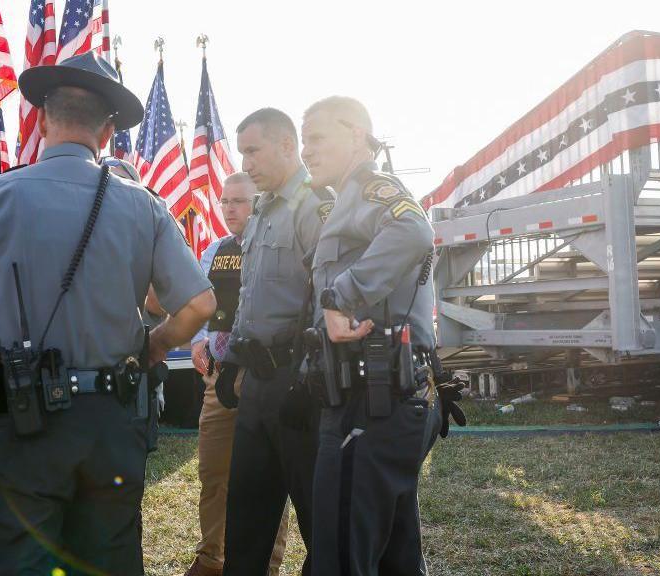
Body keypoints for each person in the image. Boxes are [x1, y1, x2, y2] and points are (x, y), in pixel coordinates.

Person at [0, 52, 216, 576]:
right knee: (109, 560)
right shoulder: (143, 204)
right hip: (112, 419)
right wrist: (155, 345)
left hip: (21, 420)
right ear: (107, 131)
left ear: (40, 119)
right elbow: (199, 305)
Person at [300, 96, 465, 575]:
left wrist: (339, 297)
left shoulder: (372, 188)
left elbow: (414, 231)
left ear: (355, 134)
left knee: (341, 557)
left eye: (316, 137)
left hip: (371, 401)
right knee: (394, 556)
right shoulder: (345, 200)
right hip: (380, 400)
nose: (306, 151)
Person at [220, 108, 333, 576]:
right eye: (241, 151)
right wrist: (233, 362)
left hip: (298, 385)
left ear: (288, 145)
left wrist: (307, 381)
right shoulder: (263, 208)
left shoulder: (315, 205)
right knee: (245, 519)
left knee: (318, 521)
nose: (245, 162)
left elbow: (330, 300)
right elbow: (251, 296)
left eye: (253, 150)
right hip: (257, 383)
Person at [185, 173, 288, 576]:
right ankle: (211, 560)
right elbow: (201, 303)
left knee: (267, 481)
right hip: (218, 377)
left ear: (260, 202)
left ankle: (266, 566)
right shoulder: (214, 251)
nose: (230, 209)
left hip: (264, 375)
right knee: (213, 475)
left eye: (240, 201)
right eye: (225, 201)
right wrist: (197, 340)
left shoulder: (278, 249)